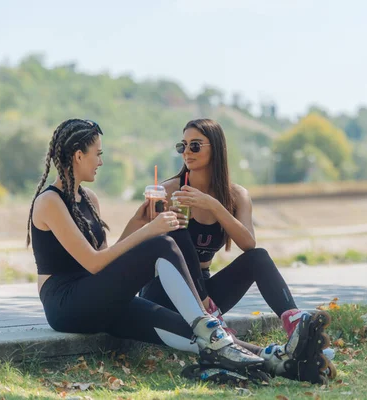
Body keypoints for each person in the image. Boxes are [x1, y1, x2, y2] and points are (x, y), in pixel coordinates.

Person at [27, 118, 277, 383]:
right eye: (97, 154)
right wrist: (151, 230)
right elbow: (93, 263)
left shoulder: (89, 198)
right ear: (79, 156)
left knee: (185, 329)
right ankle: (208, 326)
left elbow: (107, 258)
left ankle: (275, 360)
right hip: (67, 304)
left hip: (97, 298)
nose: (100, 161)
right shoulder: (50, 201)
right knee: (162, 244)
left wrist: (139, 221)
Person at [139, 119, 336, 383]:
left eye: (195, 145)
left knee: (259, 257)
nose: (187, 152)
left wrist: (213, 205)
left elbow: (248, 244)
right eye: (182, 145)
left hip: (206, 291)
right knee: (178, 230)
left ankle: (296, 327)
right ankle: (276, 356)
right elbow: (148, 244)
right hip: (166, 291)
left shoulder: (236, 195)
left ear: (216, 149)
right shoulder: (169, 190)